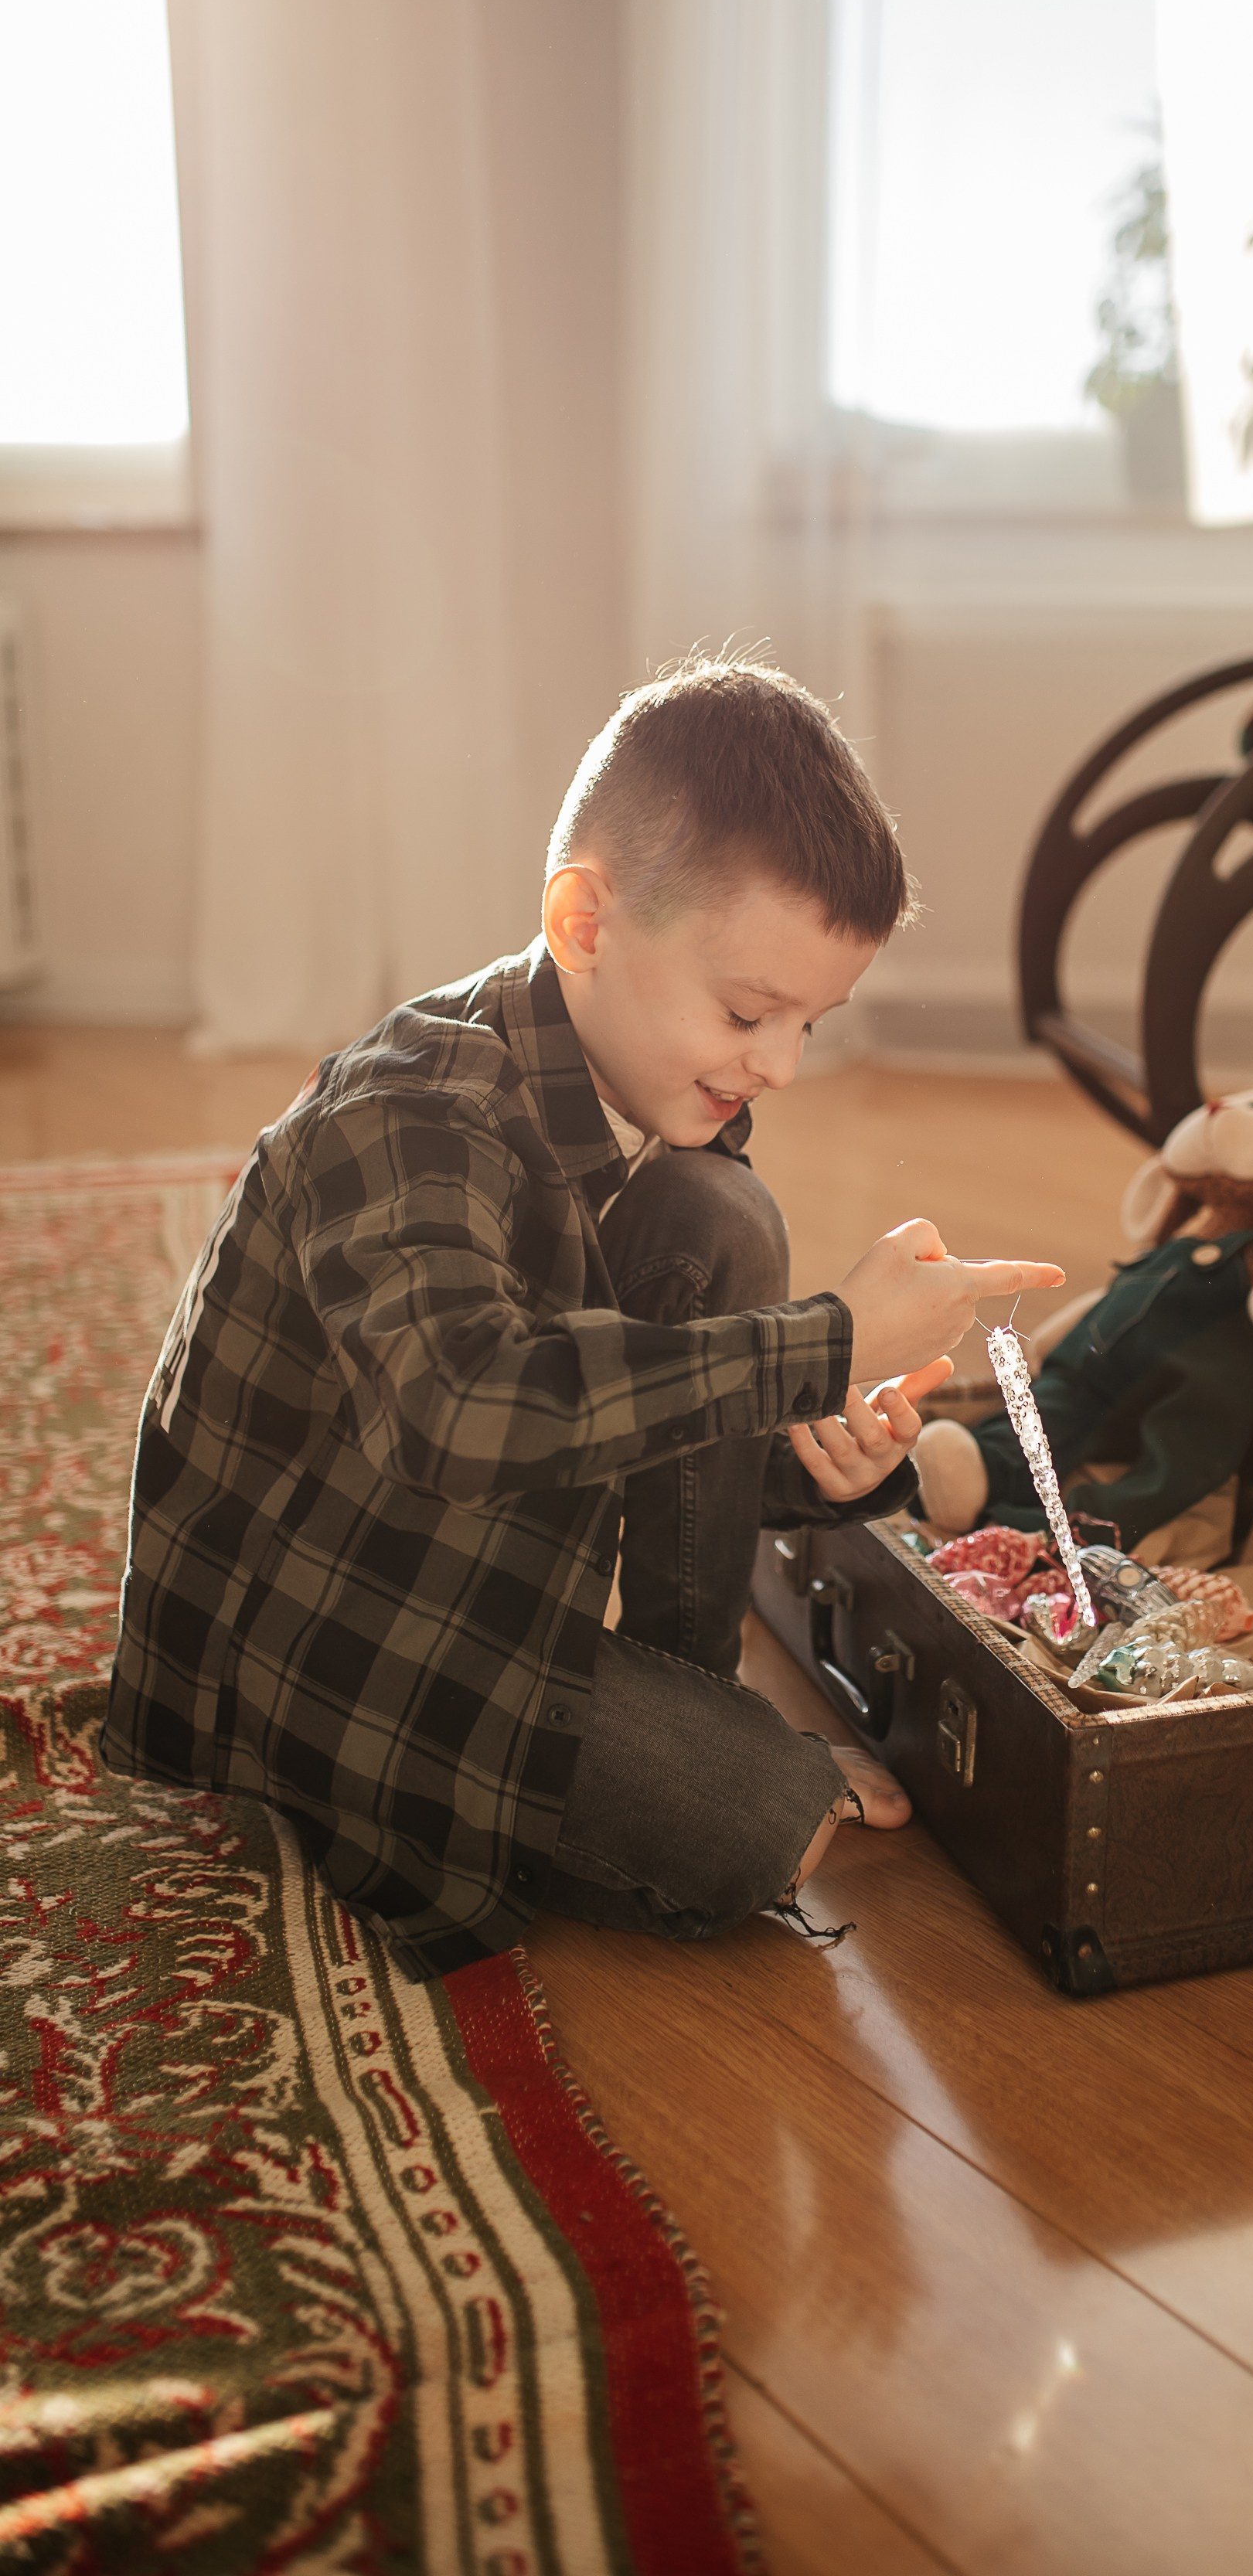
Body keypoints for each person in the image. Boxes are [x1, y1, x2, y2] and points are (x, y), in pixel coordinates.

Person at [104, 658, 1062, 1976]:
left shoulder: (656, 1090)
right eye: (747, 1012)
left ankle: (678, 1698)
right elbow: (468, 1409)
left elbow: (642, 1393)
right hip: (316, 1631)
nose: (777, 1065)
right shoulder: (406, 1112)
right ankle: (677, 1746)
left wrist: (806, 1446)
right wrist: (829, 1341)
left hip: (469, 1548)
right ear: (586, 921)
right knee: (752, 1824)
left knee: (721, 1223)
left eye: (810, 1024)